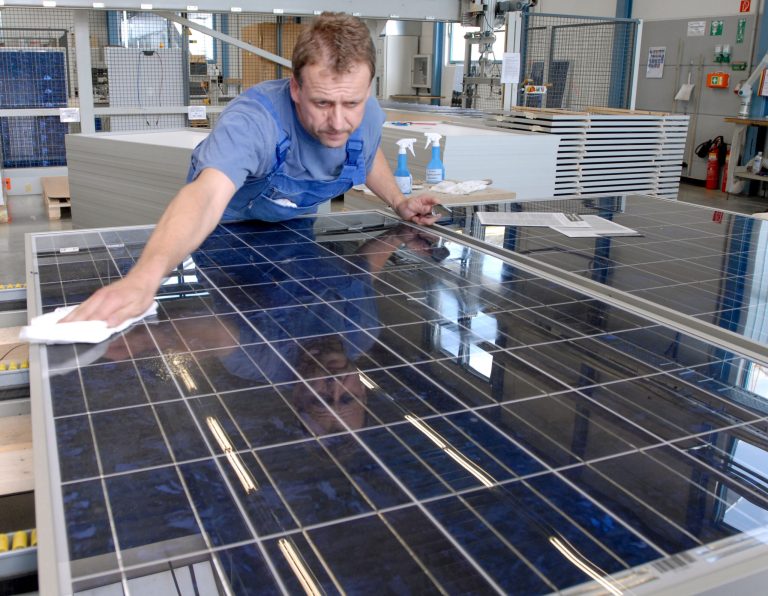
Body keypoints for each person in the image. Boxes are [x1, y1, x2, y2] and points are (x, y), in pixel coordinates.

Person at [64, 12, 439, 327]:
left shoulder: (367, 114)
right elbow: (206, 194)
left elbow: (365, 152)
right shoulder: (255, 121)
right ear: (295, 88)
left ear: (368, 89)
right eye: (322, 103)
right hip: (225, 237)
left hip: (296, 232)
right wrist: (143, 279)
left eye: (352, 103)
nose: (339, 121)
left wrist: (397, 201)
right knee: (248, 321)